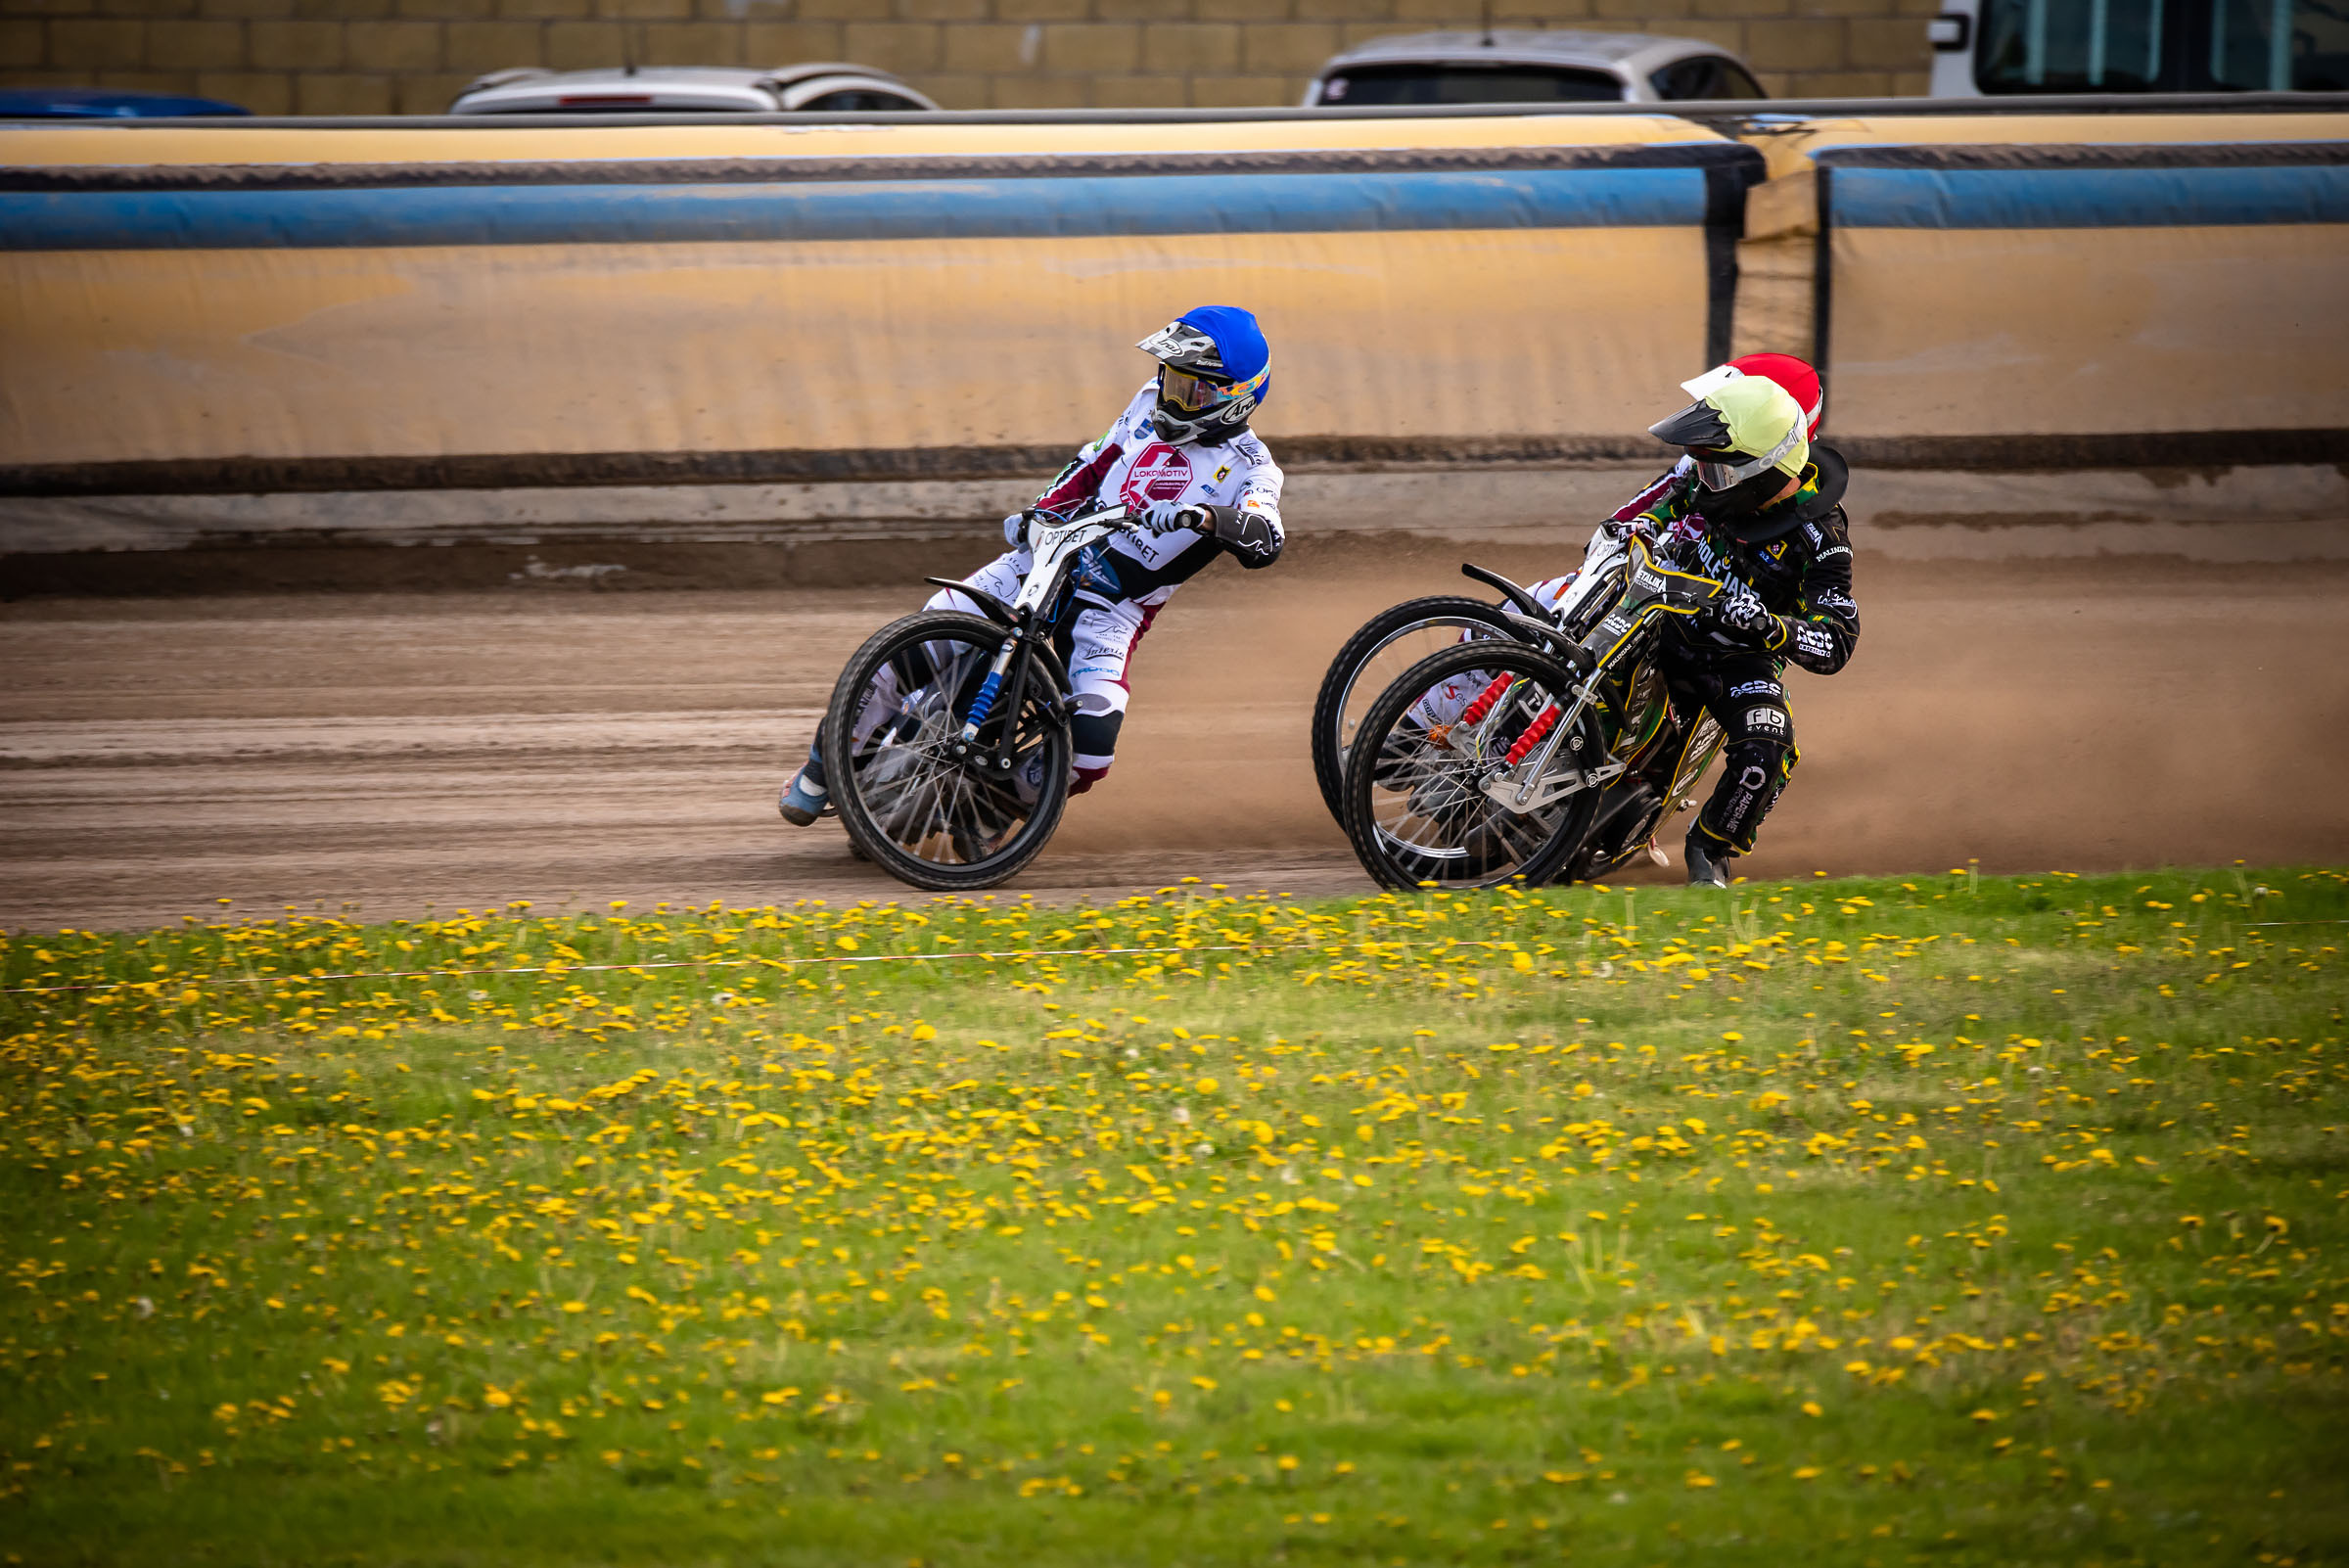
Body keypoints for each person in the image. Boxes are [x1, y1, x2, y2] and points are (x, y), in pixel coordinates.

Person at [778, 305, 1284, 827]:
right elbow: (1094, 462)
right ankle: (821, 766)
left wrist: (1208, 517)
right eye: (1170, 378)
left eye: (1191, 389)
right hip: (1046, 559)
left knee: (1091, 750)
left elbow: (1266, 535)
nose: (1171, 395)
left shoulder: (1253, 469)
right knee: (921, 638)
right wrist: (1039, 511)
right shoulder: (1146, 402)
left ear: (1233, 397)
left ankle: (991, 808)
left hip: (1111, 613)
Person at [1600, 360, 1857, 886]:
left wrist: (1769, 625)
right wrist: (1639, 533)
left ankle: (1710, 845)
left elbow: (1836, 641)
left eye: (1716, 472)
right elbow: (1661, 505)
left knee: (1771, 739)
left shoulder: (1822, 541)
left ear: (1764, 471)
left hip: (1740, 655)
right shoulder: (1716, 476)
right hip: (1665, 611)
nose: (1702, 479)